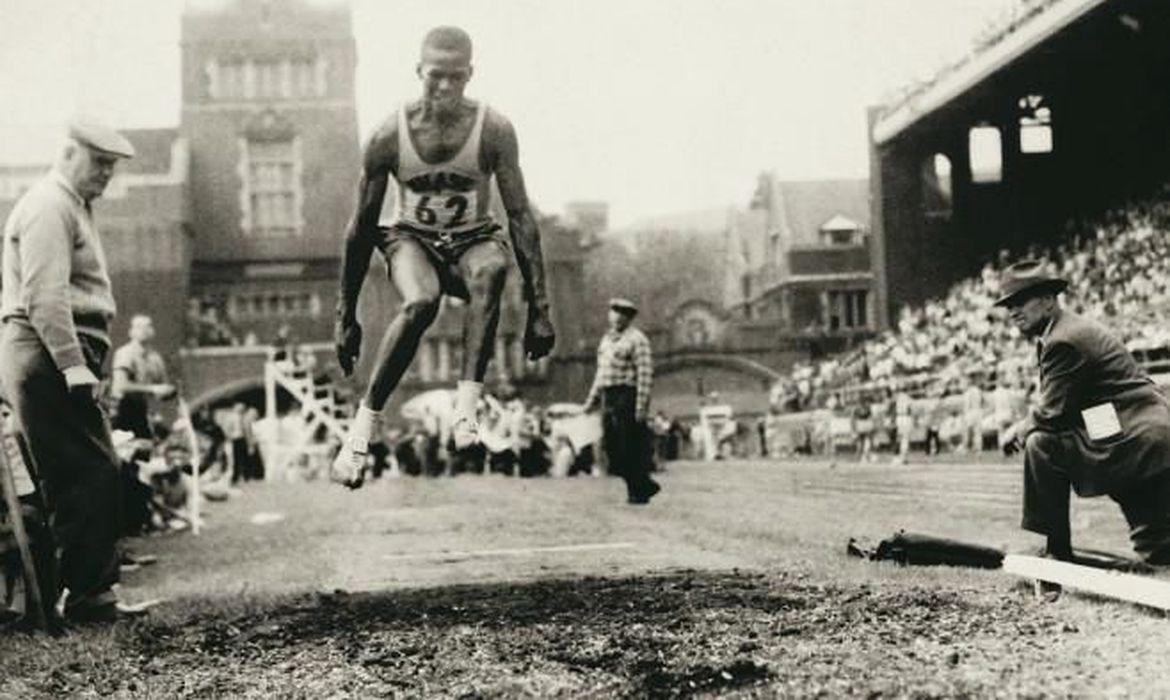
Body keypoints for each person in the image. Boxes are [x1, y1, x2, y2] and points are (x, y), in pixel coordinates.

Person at [332, 26, 555, 486]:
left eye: (456, 77)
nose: (446, 87)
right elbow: (360, 228)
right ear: (420, 72)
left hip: (473, 237)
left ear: (470, 74)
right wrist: (345, 314)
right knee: (421, 303)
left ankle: (465, 411)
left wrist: (539, 308)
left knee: (492, 269)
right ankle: (360, 433)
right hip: (411, 239)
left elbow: (521, 218)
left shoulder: (493, 129)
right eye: (436, 77)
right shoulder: (387, 136)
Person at [0, 118, 150, 623]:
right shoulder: (49, 204)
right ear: (68, 154)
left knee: (84, 471)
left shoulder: (71, 205)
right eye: (99, 162)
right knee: (88, 472)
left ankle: (85, 593)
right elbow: (44, 296)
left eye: (112, 165)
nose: (107, 174)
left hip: (55, 354)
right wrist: (72, 364)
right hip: (46, 351)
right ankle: (88, 597)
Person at [997, 260, 1170, 566]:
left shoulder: (1064, 339)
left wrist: (1019, 429)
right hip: (1132, 431)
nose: (1013, 312)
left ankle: (1057, 550)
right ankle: (1058, 551)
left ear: (1049, 301)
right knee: (1158, 551)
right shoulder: (1064, 330)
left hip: (1135, 436)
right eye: (1009, 305)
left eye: (1020, 301)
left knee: (1041, 444)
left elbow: (1051, 413)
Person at [583, 298, 660, 504]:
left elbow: (645, 374)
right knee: (611, 448)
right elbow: (601, 374)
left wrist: (641, 406)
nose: (616, 319)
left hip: (627, 395)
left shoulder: (637, 340)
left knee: (628, 446)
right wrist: (591, 401)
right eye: (613, 314)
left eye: (621, 316)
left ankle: (637, 492)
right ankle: (645, 485)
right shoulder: (606, 340)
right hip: (609, 395)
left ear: (628, 318)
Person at [110, 314, 175, 441]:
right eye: (139, 326)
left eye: (148, 326)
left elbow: (162, 387)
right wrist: (153, 389)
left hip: (146, 412)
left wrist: (169, 391)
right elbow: (120, 385)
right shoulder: (125, 353)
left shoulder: (155, 358)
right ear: (131, 332)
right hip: (123, 412)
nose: (144, 330)